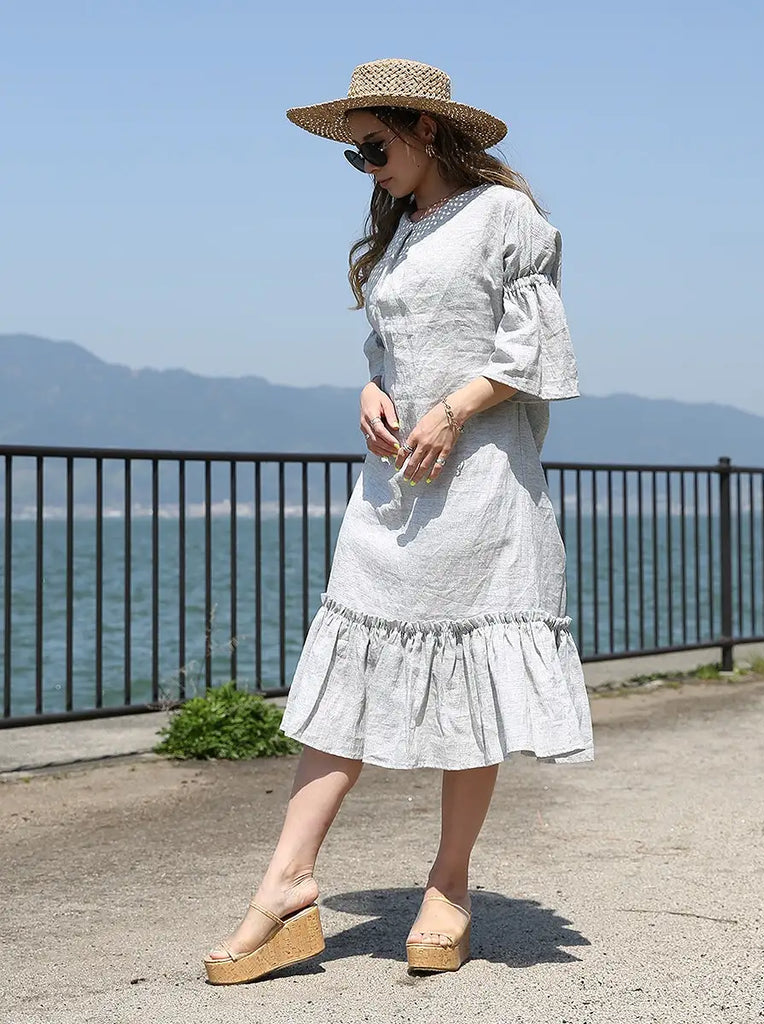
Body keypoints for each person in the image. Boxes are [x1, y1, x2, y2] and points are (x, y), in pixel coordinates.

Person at [204, 57, 594, 984]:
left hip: (481, 486)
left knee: (473, 681)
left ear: (425, 129)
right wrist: (372, 389)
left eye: (373, 147)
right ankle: (288, 882)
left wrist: (454, 409)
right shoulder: (398, 236)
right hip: (392, 492)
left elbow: (535, 348)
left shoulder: (505, 216)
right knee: (347, 672)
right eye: (355, 155)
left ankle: (448, 887)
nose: (366, 167)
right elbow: (390, 345)